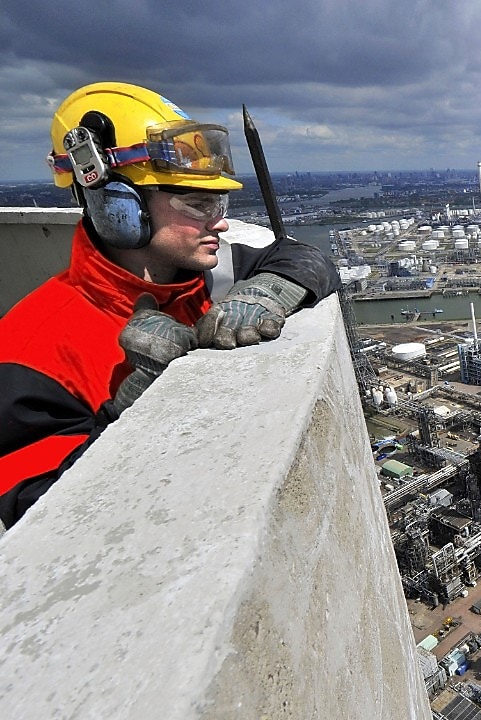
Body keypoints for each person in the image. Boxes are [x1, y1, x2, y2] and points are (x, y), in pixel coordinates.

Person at [0, 82, 340, 527]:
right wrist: (127, 414)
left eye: (218, 203)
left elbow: (307, 259)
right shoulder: (27, 349)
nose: (219, 221)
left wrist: (270, 290)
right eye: (197, 204)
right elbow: (32, 510)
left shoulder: (213, 276)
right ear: (118, 207)